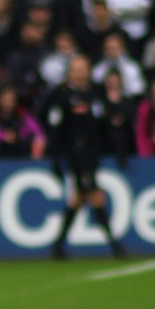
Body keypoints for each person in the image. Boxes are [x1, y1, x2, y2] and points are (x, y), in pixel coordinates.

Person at [45, 55, 127, 260]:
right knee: (95, 195)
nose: (80, 73)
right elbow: (55, 129)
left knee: (79, 198)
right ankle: (115, 245)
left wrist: (118, 149)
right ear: (70, 72)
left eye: (83, 69)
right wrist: (55, 159)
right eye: (76, 69)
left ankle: (58, 246)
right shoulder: (62, 96)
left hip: (92, 153)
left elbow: (104, 123)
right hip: (76, 153)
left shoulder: (94, 94)